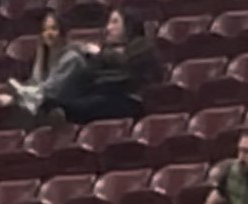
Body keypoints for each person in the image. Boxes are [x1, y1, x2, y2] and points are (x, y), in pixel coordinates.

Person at [10, 6, 157, 124]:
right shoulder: (106, 50)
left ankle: (52, 106)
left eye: (115, 22)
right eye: (108, 22)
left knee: (90, 105)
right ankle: (45, 103)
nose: (108, 27)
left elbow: (126, 64)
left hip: (127, 99)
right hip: (100, 94)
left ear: (128, 24)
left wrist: (98, 53)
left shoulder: (142, 47)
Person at [0, 6, 65, 105]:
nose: (49, 34)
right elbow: (16, 82)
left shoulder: (72, 58)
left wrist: (16, 100)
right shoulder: (34, 60)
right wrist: (8, 95)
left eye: (54, 28)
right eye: (44, 30)